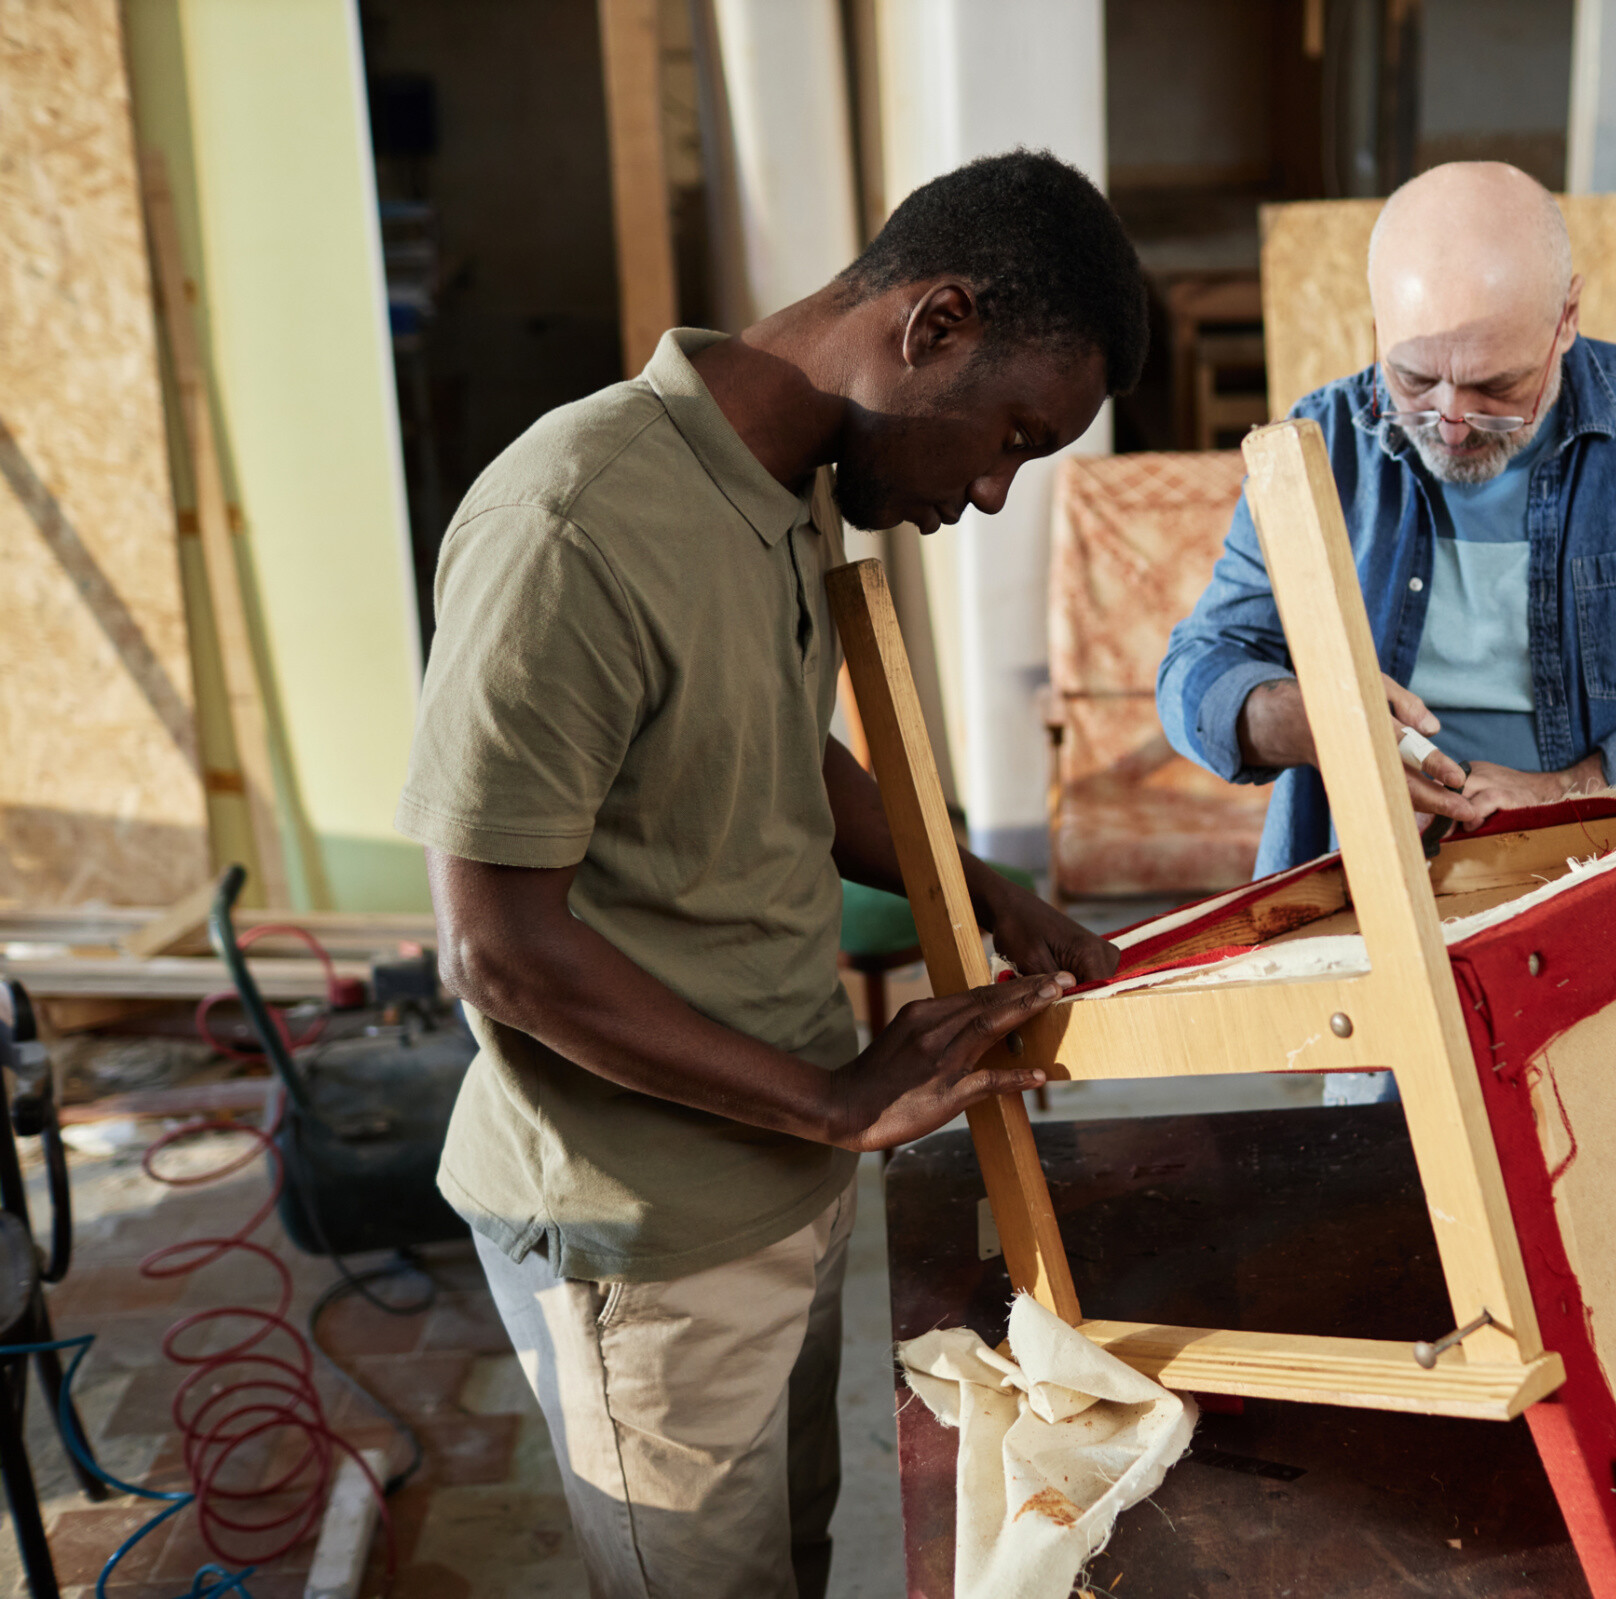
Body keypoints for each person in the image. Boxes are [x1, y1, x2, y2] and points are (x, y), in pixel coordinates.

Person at [394, 150, 1140, 1599]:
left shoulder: (780, 480)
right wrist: (835, 1097)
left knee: (786, 1563)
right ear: (934, 324)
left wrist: (984, 889)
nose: (989, 491)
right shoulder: (574, 520)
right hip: (645, 1233)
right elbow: (496, 948)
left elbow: (783, 747)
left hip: (785, 1170)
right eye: (1008, 437)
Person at [1156, 162, 1616, 1103]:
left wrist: (1567, 793)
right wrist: (1309, 721)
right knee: (1389, 1201)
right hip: (1389, 925)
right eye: (1415, 378)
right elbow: (1196, 674)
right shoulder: (1323, 448)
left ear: (1567, 317)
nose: (1455, 424)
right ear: (1374, 328)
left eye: (1497, 385)